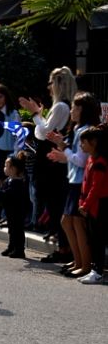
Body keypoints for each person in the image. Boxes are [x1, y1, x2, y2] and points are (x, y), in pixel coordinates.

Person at [19, 66, 76, 263]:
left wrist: (35, 114)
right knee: (54, 204)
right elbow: (44, 130)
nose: (48, 87)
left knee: (55, 204)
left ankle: (64, 248)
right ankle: (64, 246)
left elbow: (42, 133)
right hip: (53, 159)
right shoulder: (63, 106)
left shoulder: (61, 106)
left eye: (51, 83)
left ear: (58, 84)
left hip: (52, 162)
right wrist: (39, 117)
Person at [47, 92, 100, 278]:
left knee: (76, 223)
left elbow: (80, 160)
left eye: (76, 108)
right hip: (74, 181)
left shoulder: (84, 130)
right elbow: (74, 159)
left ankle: (84, 264)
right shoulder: (78, 128)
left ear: (84, 110)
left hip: (79, 183)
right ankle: (79, 261)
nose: (72, 111)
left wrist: (63, 147)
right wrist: (62, 150)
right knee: (69, 222)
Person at [77, 125, 108, 284]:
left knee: (98, 239)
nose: (81, 145)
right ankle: (95, 269)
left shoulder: (100, 162)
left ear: (94, 142)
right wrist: (82, 202)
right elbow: (86, 184)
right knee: (94, 239)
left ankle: (97, 271)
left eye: (84, 142)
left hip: (99, 206)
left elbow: (96, 188)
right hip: (91, 205)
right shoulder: (90, 159)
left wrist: (86, 204)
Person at [0, 153, 29, 258]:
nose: (4, 168)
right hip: (10, 210)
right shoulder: (9, 180)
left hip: (18, 210)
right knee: (12, 229)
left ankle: (19, 250)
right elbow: (4, 193)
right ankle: (11, 247)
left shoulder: (17, 183)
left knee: (17, 230)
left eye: (6, 166)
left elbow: (8, 195)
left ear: (13, 169)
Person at [0, 83, 20, 223]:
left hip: (10, 151)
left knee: (9, 184)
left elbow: (18, 136)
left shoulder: (13, 114)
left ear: (5, 96)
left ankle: (8, 215)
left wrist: (16, 155)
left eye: (0, 97)